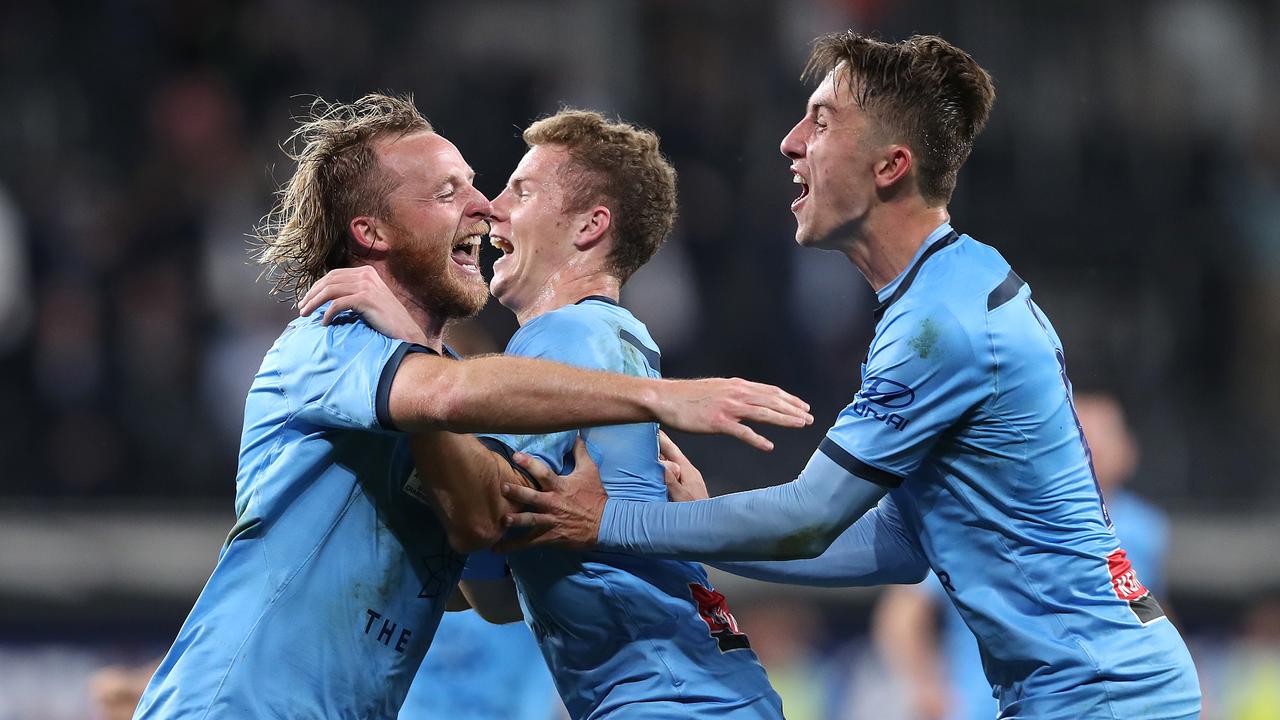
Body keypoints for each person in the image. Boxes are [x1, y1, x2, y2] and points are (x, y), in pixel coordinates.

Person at [496, 33, 1202, 719]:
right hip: (1094, 685)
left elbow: (808, 517)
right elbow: (891, 546)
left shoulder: (940, 326)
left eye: (821, 121)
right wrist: (679, 525)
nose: (790, 141)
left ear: (889, 166)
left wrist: (608, 521)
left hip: (1098, 693)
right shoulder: (945, 292)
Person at [132, 94, 811, 719]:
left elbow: (484, 525)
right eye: (447, 190)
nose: (486, 205)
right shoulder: (334, 337)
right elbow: (460, 447)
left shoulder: (537, 357)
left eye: (498, 187)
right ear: (372, 231)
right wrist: (662, 405)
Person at [318, 109, 784, 719]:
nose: (493, 207)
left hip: (667, 700)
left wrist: (412, 353)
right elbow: (498, 597)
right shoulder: (619, 340)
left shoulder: (562, 336)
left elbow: (482, 525)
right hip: (704, 689)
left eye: (523, 190)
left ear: (590, 226)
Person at [871, 391, 1172, 720]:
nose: (1092, 447)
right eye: (1079, 432)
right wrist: (926, 689)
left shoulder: (1141, 530)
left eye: (1104, 434)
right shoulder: (990, 517)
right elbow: (903, 614)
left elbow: (1145, 612)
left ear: (1128, 451)